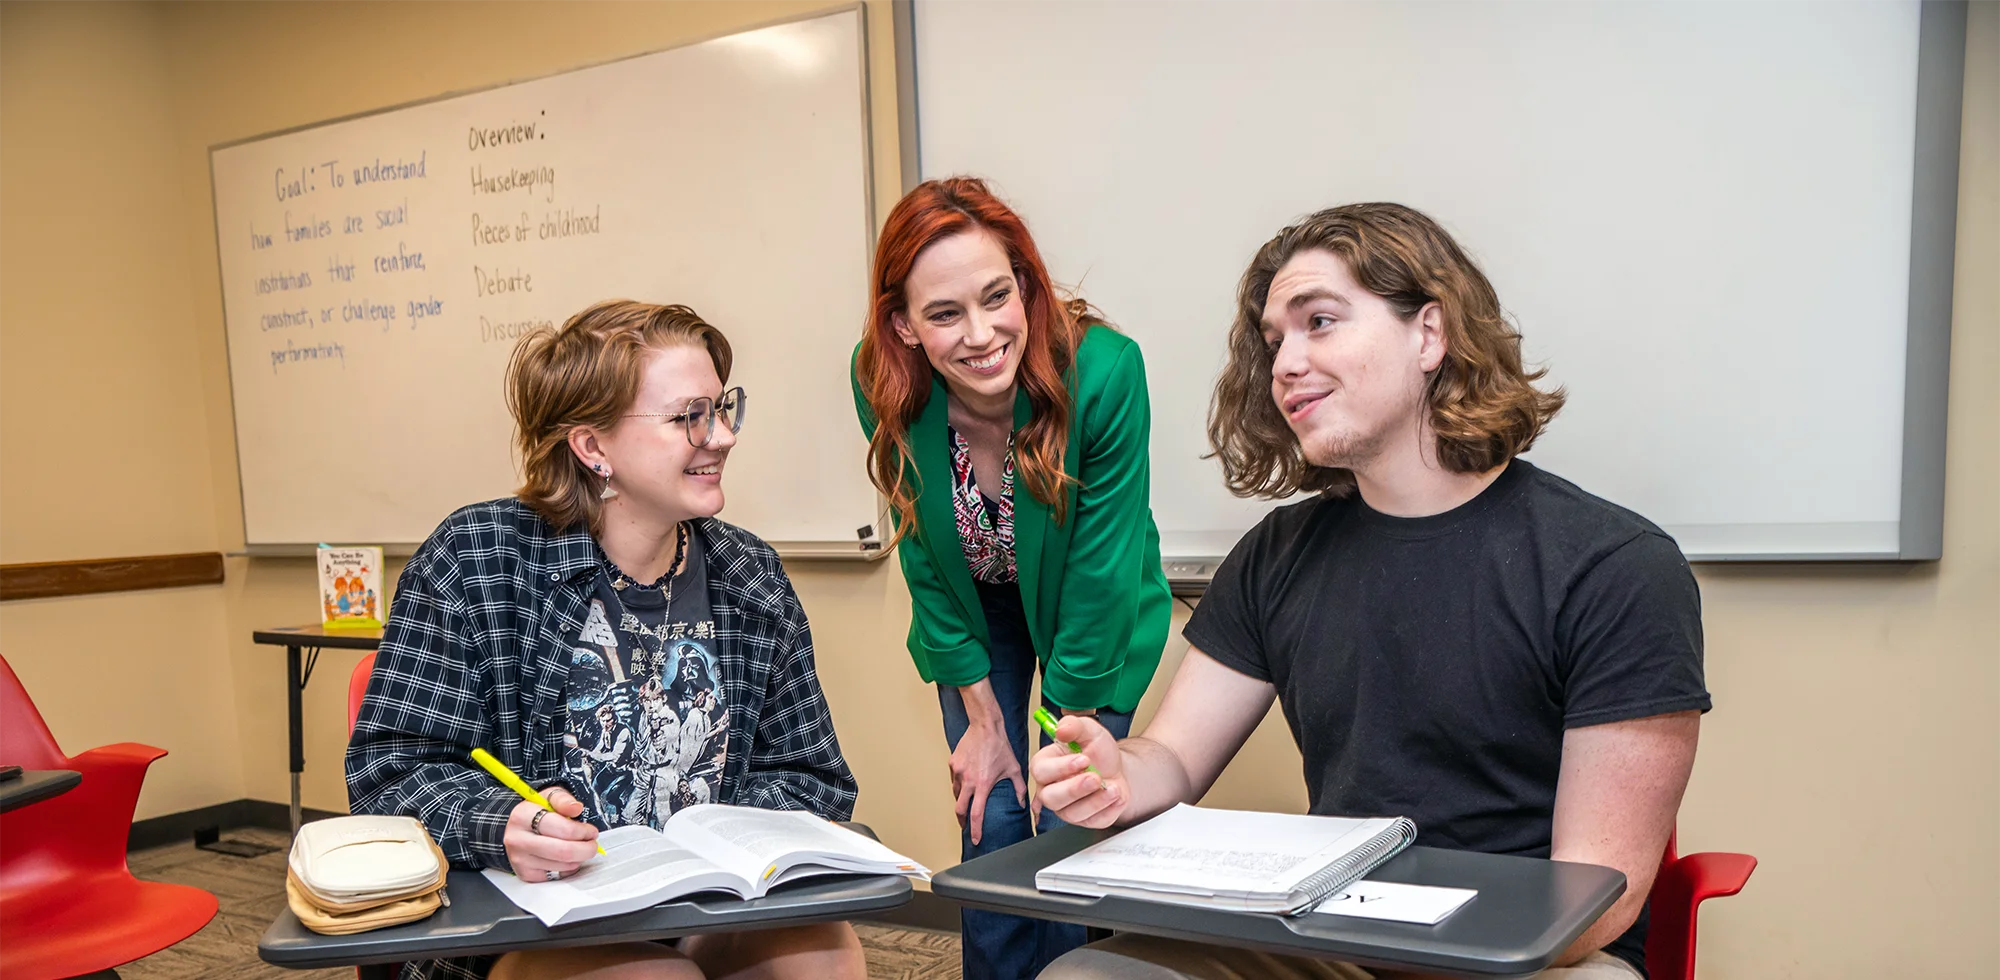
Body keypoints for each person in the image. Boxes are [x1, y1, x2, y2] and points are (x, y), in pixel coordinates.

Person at [1031, 203, 1710, 980]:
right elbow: (1173, 758)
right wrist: (1118, 775)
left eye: (1319, 321)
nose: (1284, 363)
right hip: (1336, 943)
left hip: (1537, 959)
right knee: (1090, 976)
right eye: (1273, 339)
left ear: (1429, 334)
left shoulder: (1614, 567)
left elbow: (1599, 899)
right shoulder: (1276, 557)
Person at [347, 300, 865, 980]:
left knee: (822, 954)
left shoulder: (750, 574)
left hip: (702, 909)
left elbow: (813, 777)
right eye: (690, 416)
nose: (723, 436)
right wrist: (500, 824)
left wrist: (716, 843)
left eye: (723, 407)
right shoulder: (476, 560)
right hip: (524, 925)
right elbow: (390, 776)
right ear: (593, 449)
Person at [851, 177, 1171, 980]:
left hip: (1089, 611)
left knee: (1065, 817)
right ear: (904, 327)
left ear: (1025, 285)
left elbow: (1100, 576)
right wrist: (983, 718)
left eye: (998, 296)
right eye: (945, 314)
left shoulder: (1102, 371)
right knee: (990, 814)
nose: (983, 333)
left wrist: (1063, 735)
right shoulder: (882, 379)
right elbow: (920, 546)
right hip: (974, 608)